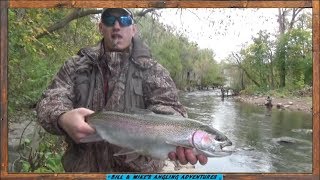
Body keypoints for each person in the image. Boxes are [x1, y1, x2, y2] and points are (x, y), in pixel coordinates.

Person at [36, 8, 208, 172]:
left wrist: (177, 135)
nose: (117, 26)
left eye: (124, 20)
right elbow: (49, 101)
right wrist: (62, 118)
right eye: (110, 20)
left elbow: (170, 108)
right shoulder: (75, 66)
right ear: (100, 27)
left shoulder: (153, 70)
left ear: (133, 29)